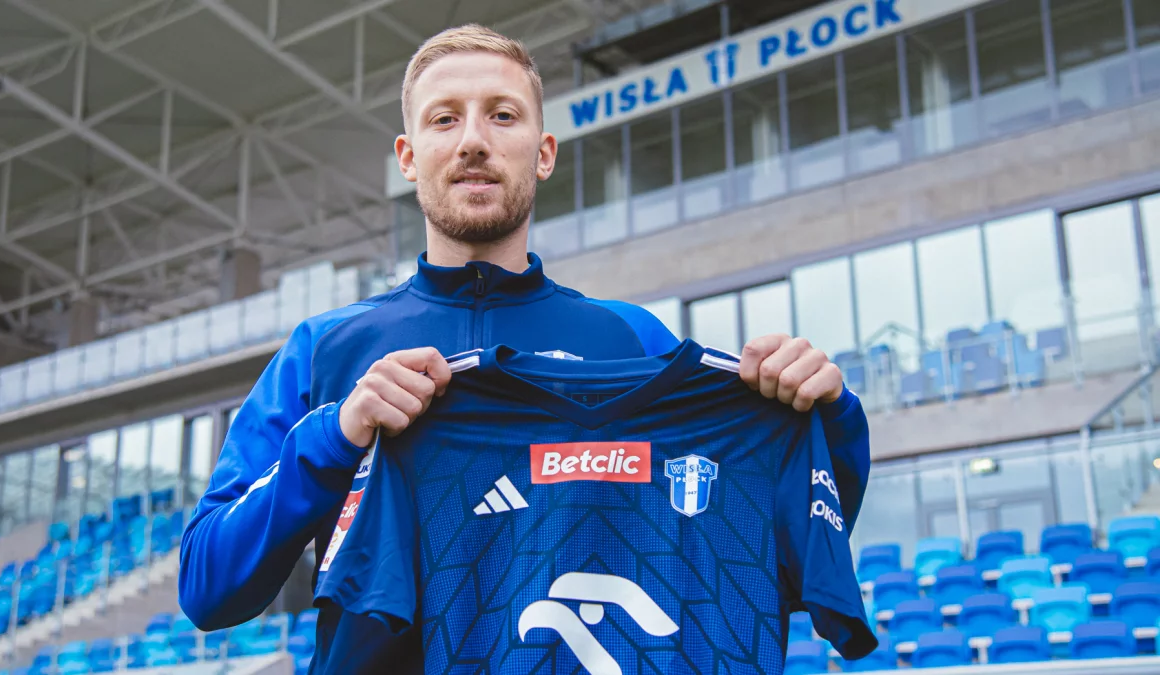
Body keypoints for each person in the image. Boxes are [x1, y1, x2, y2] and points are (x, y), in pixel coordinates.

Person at [177, 23, 870, 649]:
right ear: (409, 157)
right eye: (444, 119)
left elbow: (784, 529)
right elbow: (208, 588)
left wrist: (828, 416)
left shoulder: (632, 339)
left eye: (502, 115)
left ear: (543, 154)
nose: (473, 140)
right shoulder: (323, 350)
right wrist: (336, 436)